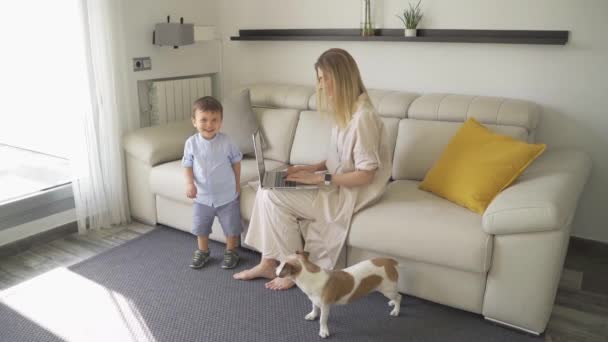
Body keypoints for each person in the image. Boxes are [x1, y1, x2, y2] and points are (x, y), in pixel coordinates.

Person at [233, 48, 392, 290]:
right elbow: (336, 158)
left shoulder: (364, 118)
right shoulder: (347, 111)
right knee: (267, 188)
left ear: (338, 78)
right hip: (335, 182)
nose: (318, 86)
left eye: (321, 79)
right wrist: (306, 168)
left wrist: (318, 179)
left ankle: (294, 271)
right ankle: (268, 261)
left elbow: (365, 175)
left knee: (273, 195)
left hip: (352, 192)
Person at [182, 96, 243, 270]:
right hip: (202, 197)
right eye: (204, 120)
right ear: (194, 121)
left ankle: (231, 251)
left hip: (227, 195)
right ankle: (203, 251)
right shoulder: (191, 144)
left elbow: (236, 162)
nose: (209, 124)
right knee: (201, 227)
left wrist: (237, 183)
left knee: (231, 227)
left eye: (214, 120)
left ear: (221, 122)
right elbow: (187, 165)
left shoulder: (227, 141)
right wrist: (189, 184)